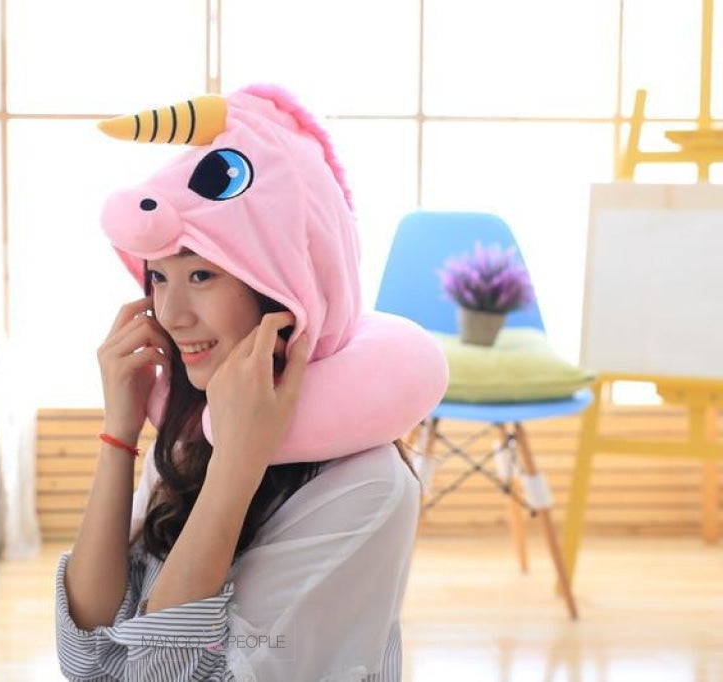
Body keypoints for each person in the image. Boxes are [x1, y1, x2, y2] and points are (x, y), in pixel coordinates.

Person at [55, 84, 448, 681]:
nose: (171, 315)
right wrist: (119, 434)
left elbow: (158, 675)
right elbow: (85, 654)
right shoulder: (193, 434)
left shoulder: (366, 487)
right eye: (158, 278)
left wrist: (236, 465)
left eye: (202, 276)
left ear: (282, 288)